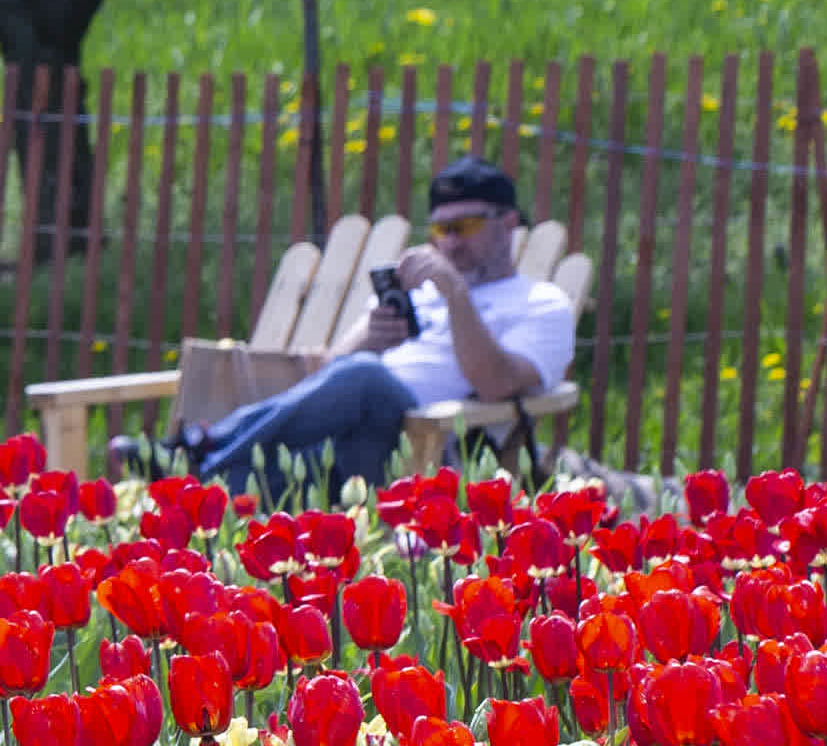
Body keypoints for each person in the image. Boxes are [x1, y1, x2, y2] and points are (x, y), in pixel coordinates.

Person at [160, 155, 576, 500]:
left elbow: (497, 384)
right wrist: (366, 340)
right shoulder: (415, 292)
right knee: (247, 482)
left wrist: (455, 293)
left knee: (366, 376)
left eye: (464, 227)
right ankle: (185, 480)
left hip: (422, 450)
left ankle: (197, 448)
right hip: (343, 436)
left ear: (508, 223)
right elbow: (333, 372)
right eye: (440, 229)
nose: (450, 242)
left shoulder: (541, 303)